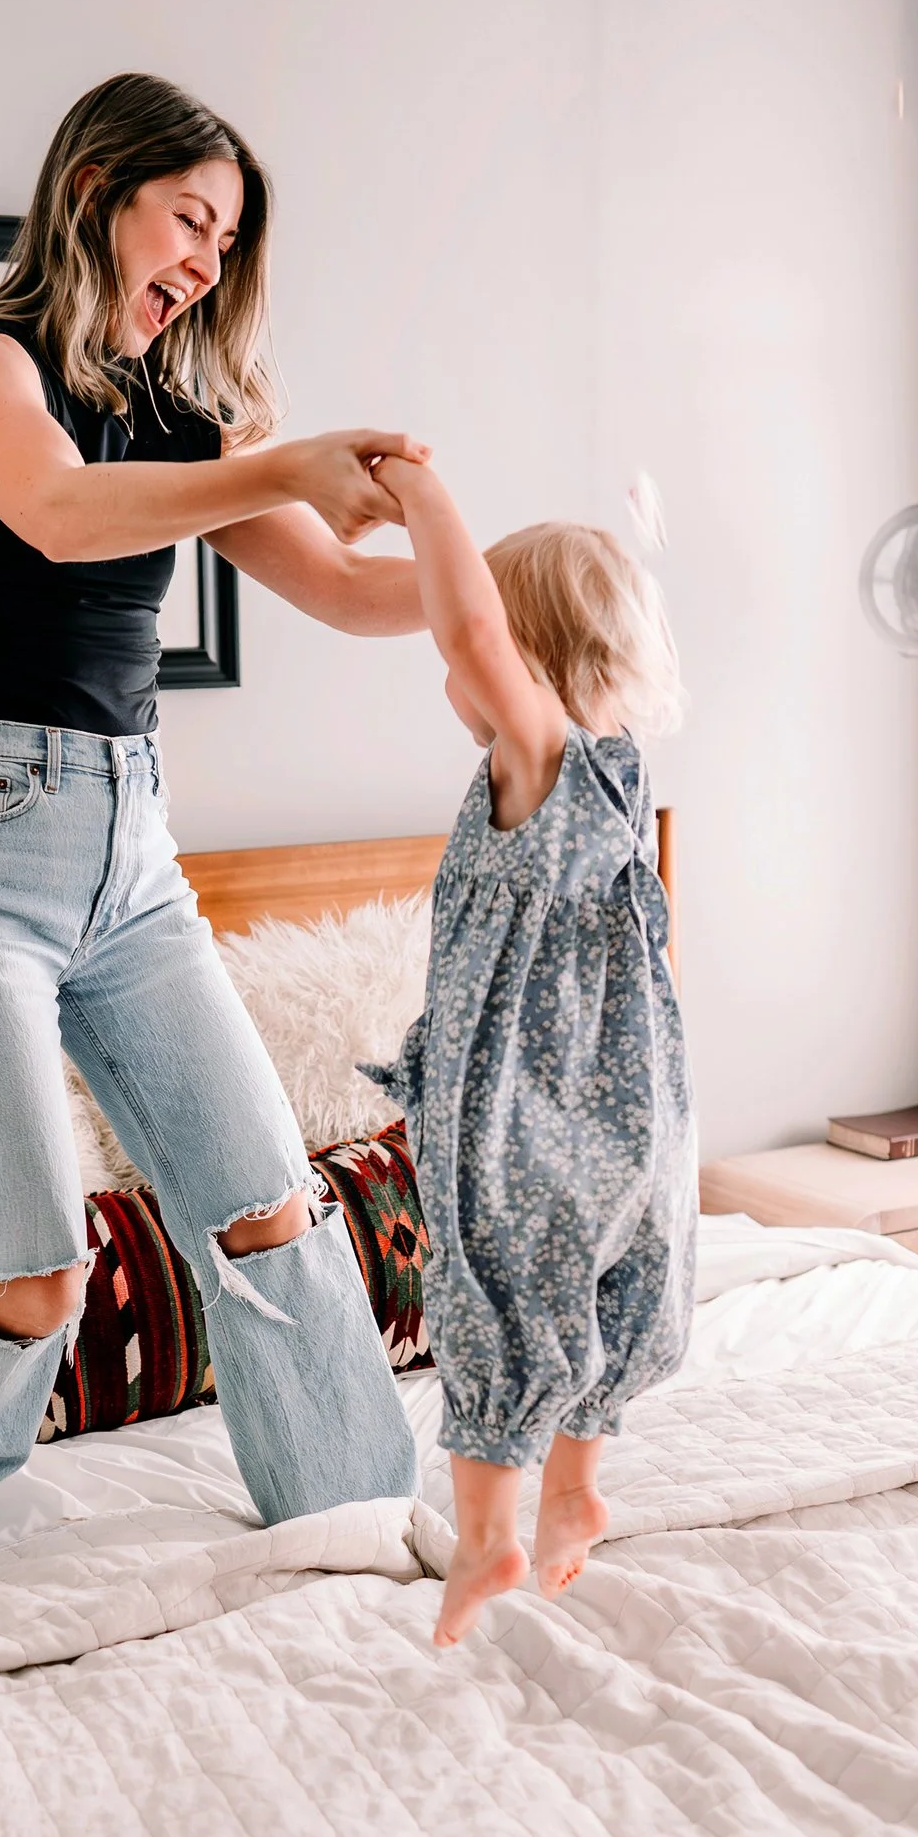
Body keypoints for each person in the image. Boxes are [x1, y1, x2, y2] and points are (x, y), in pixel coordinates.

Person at [0, 73, 424, 1588]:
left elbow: (357, 596)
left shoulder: (182, 419)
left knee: (268, 1212)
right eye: (192, 221)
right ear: (97, 185)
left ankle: (352, 1527)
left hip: (133, 858)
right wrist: (281, 463)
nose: (207, 267)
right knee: (30, 1261)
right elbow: (61, 515)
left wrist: (526, 585)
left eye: (228, 247)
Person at [359, 457, 695, 1648]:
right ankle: (573, 1486)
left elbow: (467, 623)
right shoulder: (621, 776)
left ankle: (488, 1539)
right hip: (637, 1116)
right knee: (599, 1295)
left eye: (473, 655)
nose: (454, 672)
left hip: (524, 1107)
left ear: (522, 654)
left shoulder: (537, 755)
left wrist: (424, 502)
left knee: (496, 1297)